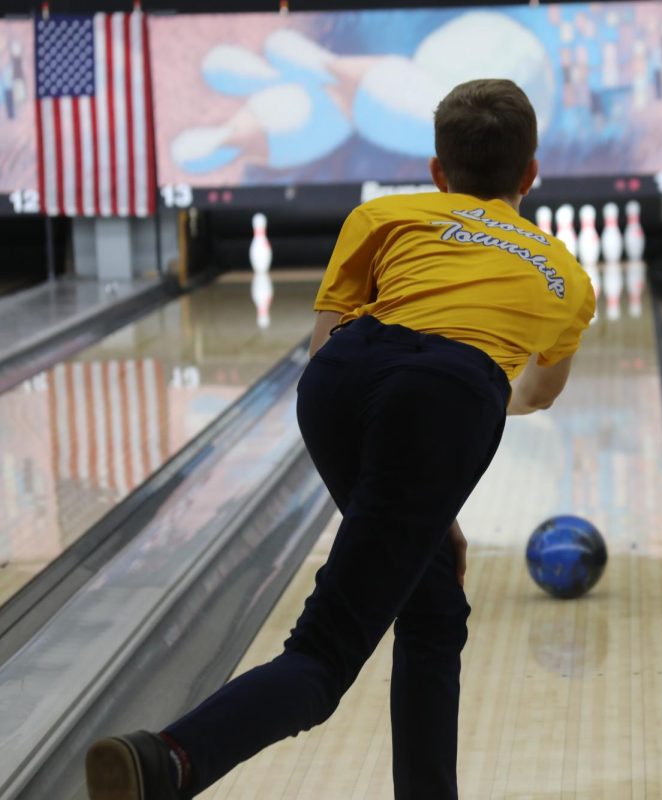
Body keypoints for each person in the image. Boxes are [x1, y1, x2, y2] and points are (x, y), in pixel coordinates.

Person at [84, 78, 595, 800]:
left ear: (437, 172)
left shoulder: (381, 215)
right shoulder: (565, 275)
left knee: (432, 605)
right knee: (323, 659)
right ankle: (168, 760)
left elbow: (327, 352)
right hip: (446, 397)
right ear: (532, 174)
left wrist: (417, 491)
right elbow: (535, 394)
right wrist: (430, 467)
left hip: (341, 381)